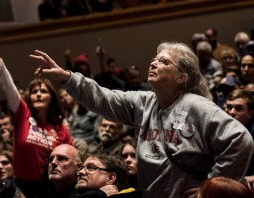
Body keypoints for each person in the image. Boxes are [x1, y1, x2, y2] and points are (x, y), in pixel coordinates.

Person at [30, 41, 254, 198]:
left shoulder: (197, 106)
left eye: (164, 61)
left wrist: (210, 189)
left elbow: (241, 141)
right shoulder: (144, 102)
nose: (153, 63)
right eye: (154, 59)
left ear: (181, 77)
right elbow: (102, 98)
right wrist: (66, 77)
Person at [0, 35, 73, 198]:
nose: (38, 94)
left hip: (50, 189)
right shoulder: (22, 115)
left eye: (43, 91)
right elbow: (8, 86)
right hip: (21, 188)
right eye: (34, 92)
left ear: (52, 98)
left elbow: (72, 157)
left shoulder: (60, 128)